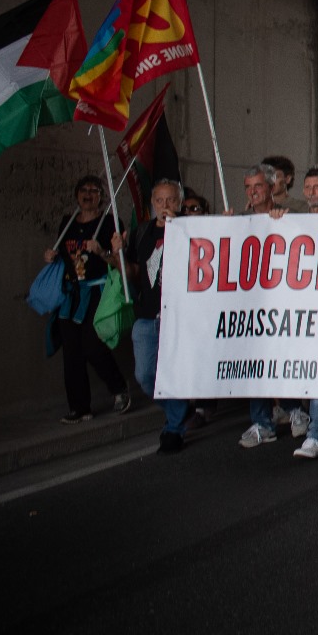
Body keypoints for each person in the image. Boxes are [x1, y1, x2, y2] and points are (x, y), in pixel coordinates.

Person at [269, 169, 318, 460]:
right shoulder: (289, 221)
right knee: (311, 373)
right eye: (309, 187)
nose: (313, 192)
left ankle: (316, 435)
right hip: (299, 312)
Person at [43, 175, 130, 423]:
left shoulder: (109, 223)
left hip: (98, 292)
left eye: (94, 190)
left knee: (92, 345)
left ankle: (118, 388)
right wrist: (51, 255)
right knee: (71, 350)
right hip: (71, 294)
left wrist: (101, 252)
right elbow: (63, 256)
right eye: (84, 189)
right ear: (76, 194)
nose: (88, 194)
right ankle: (79, 408)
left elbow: (119, 261)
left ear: (101, 197)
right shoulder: (67, 222)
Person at [117, 179, 192, 454]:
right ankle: (179, 409)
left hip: (180, 318)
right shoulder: (143, 232)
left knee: (176, 374)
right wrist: (116, 253)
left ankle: (173, 428)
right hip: (148, 315)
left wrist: (181, 229)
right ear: (152, 203)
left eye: (171, 200)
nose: (165, 206)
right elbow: (134, 273)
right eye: (159, 201)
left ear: (180, 202)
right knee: (146, 374)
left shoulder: (192, 228)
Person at [239, 164, 310, 447]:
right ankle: (262, 422)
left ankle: (295, 410)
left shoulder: (289, 216)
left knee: (282, 358)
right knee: (256, 363)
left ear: (271, 188)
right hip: (252, 305)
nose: (252, 192)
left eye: (257, 186)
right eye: (248, 187)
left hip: (283, 303)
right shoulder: (240, 221)